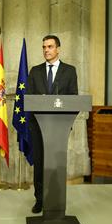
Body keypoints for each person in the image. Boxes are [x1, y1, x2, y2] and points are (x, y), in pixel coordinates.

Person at [26, 35, 78, 213]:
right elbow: (29, 98)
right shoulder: (35, 71)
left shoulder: (69, 71)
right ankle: (40, 199)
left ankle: (55, 200)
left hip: (60, 128)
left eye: (50, 46)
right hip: (38, 127)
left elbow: (74, 99)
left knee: (56, 164)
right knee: (40, 163)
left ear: (58, 49)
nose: (46, 50)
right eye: (44, 47)